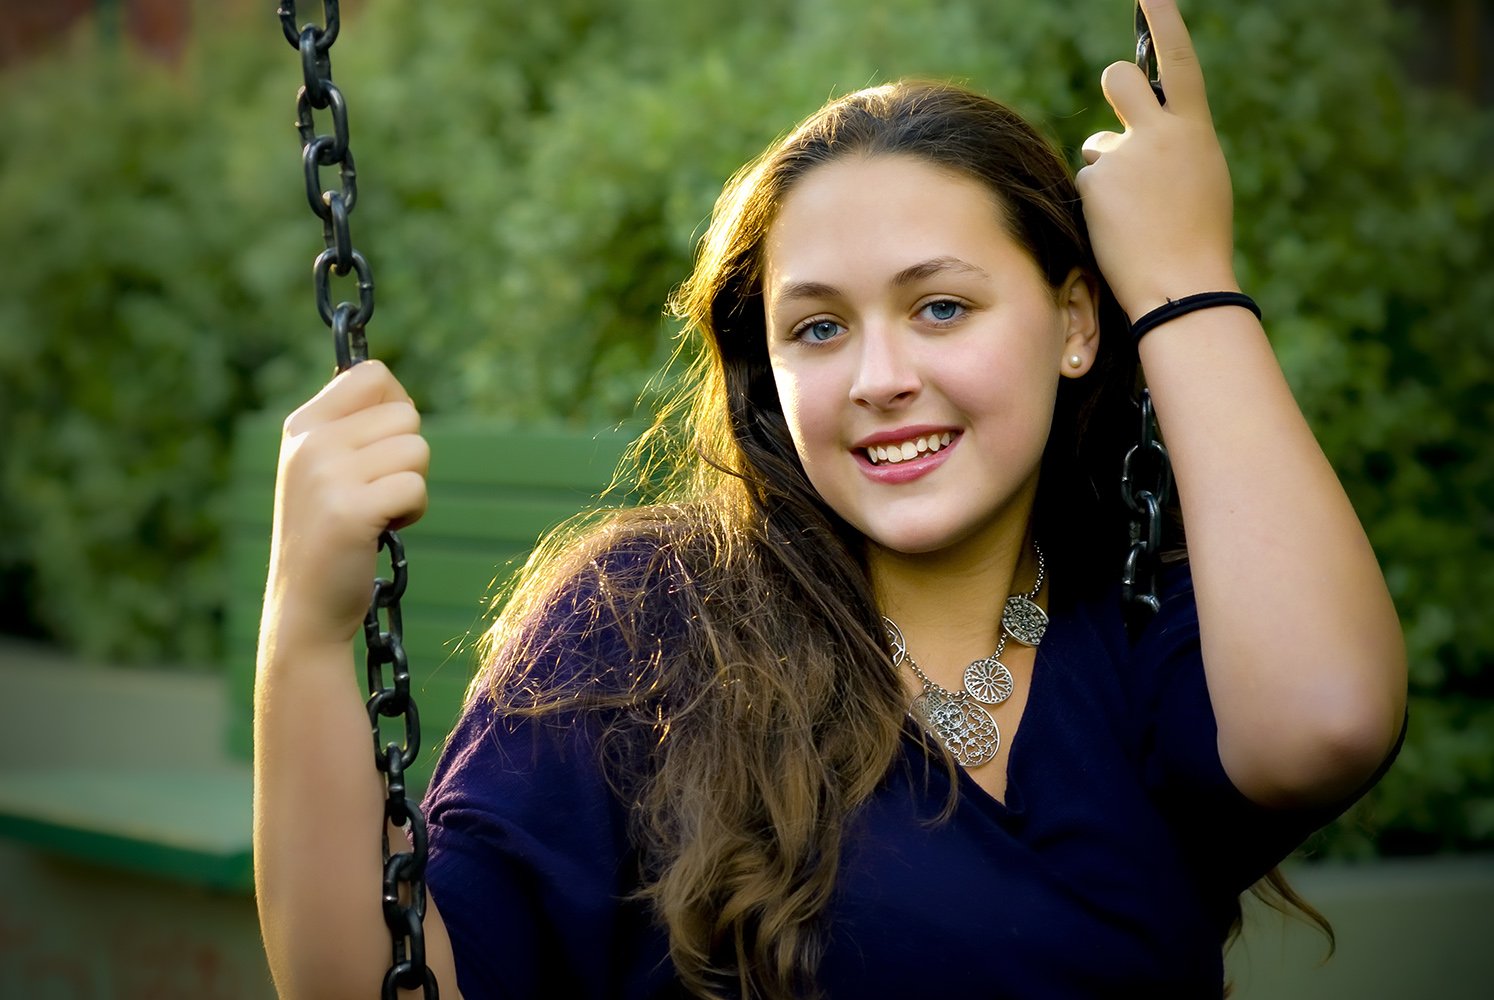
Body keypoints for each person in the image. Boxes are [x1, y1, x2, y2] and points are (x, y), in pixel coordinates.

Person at [252, 2, 1407, 997]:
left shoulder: (1143, 630)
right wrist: (304, 633)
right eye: (818, 328)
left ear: (1073, 322)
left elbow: (1329, 721)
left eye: (942, 306)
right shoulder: (646, 631)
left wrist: (1189, 279)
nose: (880, 377)